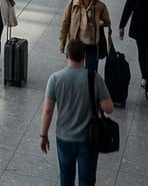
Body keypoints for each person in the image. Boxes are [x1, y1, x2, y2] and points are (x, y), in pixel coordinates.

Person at [39, 39, 115, 186]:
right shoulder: (94, 79)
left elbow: (48, 111)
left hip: (64, 138)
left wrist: (43, 135)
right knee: (87, 180)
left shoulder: (55, 79)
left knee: (66, 177)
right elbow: (109, 108)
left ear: (66, 55)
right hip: (88, 139)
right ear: (84, 56)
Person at [57, 0, 111, 73]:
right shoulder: (72, 4)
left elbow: (107, 22)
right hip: (77, 44)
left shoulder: (100, 6)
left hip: (92, 45)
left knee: (90, 72)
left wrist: (102, 23)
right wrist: (62, 43)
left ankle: (89, 87)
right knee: (75, 70)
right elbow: (65, 24)